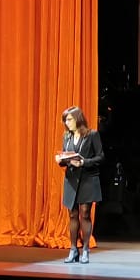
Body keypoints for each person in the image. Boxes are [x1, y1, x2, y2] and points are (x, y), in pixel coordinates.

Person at [57, 106, 104, 263]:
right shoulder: (67, 137)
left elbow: (100, 157)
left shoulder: (92, 135)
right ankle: (73, 250)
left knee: (85, 213)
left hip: (88, 179)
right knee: (73, 214)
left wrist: (84, 162)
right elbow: (66, 156)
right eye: (65, 120)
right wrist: (61, 160)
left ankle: (85, 250)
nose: (66, 123)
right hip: (71, 180)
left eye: (69, 119)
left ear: (77, 119)